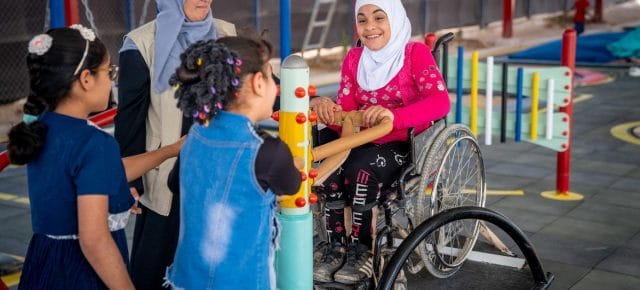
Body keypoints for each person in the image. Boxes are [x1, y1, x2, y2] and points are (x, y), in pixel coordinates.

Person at [7, 26, 183, 290]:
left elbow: (106, 171)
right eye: (109, 72)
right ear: (86, 79)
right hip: (80, 273)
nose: (112, 81)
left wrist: (169, 150)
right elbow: (94, 239)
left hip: (44, 262)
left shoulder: (42, 127)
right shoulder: (95, 144)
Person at [311, 0, 451, 285]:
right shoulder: (354, 59)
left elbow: (440, 102)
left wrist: (394, 115)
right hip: (360, 136)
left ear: (395, 19)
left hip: (402, 141)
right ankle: (335, 247)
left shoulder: (415, 54)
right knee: (321, 163)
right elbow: (346, 115)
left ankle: (362, 249)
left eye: (378, 18)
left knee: (360, 169)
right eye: (362, 20)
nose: (370, 27)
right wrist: (327, 108)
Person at [113, 0, 236, 288]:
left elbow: (258, 81)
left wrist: (303, 98)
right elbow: (131, 115)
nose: (205, 0)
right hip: (168, 174)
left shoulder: (224, 33)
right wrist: (131, 180)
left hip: (217, 171)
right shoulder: (141, 43)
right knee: (157, 266)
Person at [163, 36, 301, 289]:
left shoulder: (195, 133)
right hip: (241, 281)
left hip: (187, 278)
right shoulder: (267, 150)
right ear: (259, 82)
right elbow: (291, 185)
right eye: (272, 76)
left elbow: (175, 184)